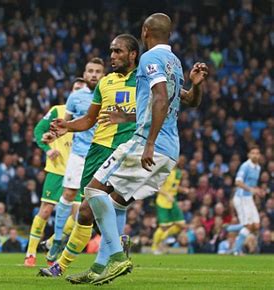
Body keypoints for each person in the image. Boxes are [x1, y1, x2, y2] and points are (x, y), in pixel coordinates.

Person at [46, 14, 207, 285]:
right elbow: (188, 100)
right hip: (170, 150)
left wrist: (149, 142)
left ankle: (117, 257)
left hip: (147, 143)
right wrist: (197, 86)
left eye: (117, 50)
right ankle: (100, 267)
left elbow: (159, 98)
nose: (112, 55)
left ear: (145, 32)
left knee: (94, 191)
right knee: (115, 202)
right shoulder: (175, 63)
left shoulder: (149, 59)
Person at [39, 33, 139, 278]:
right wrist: (67, 127)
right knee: (86, 211)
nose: (113, 56)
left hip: (127, 150)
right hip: (97, 150)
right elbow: (88, 120)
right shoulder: (105, 83)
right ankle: (114, 249)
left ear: (133, 54)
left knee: (102, 205)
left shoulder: (145, 80)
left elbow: (156, 112)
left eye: (118, 51)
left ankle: (70, 263)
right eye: (111, 51)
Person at [45, 58, 105, 264]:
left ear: (103, 75)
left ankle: (108, 247)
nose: (94, 75)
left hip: (101, 154)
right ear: (85, 73)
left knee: (95, 203)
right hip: (79, 153)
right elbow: (66, 125)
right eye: (90, 71)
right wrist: (52, 137)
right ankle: (57, 240)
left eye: (98, 71)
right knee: (69, 195)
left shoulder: (107, 94)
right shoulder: (75, 97)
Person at [23, 79, 80, 267]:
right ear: (71, 93)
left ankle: (50, 242)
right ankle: (31, 252)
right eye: (76, 89)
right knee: (46, 210)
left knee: (78, 216)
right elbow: (39, 130)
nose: (79, 92)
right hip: (57, 170)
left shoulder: (90, 114)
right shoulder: (58, 111)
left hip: (79, 170)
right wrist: (47, 149)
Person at [225, 146, 263, 255]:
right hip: (241, 198)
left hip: (249, 198)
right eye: (253, 153)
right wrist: (252, 190)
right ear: (249, 155)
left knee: (256, 225)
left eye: (257, 153)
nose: (255, 155)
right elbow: (238, 182)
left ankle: (229, 228)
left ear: (259, 155)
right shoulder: (245, 166)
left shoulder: (258, 168)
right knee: (247, 225)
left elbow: (253, 185)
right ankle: (235, 250)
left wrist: (257, 192)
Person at [151, 164, 188, 254]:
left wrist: (182, 189)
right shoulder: (164, 172)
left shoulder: (178, 173)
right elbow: (157, 187)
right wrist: (167, 195)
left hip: (172, 201)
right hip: (162, 201)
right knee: (164, 226)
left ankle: (163, 240)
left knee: (182, 225)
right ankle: (155, 247)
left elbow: (173, 186)